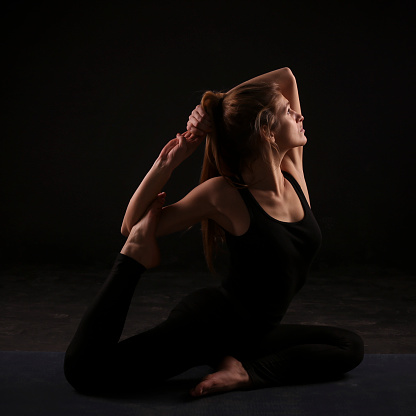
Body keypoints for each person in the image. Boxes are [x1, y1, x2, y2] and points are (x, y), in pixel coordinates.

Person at [64, 67, 364, 397]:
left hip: (254, 334)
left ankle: (239, 368)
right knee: (87, 373)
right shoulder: (224, 194)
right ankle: (133, 262)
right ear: (266, 130)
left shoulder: (292, 171)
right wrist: (166, 165)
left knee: (349, 346)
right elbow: (131, 225)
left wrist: (215, 107)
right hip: (209, 327)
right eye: (287, 112)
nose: (298, 114)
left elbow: (286, 77)